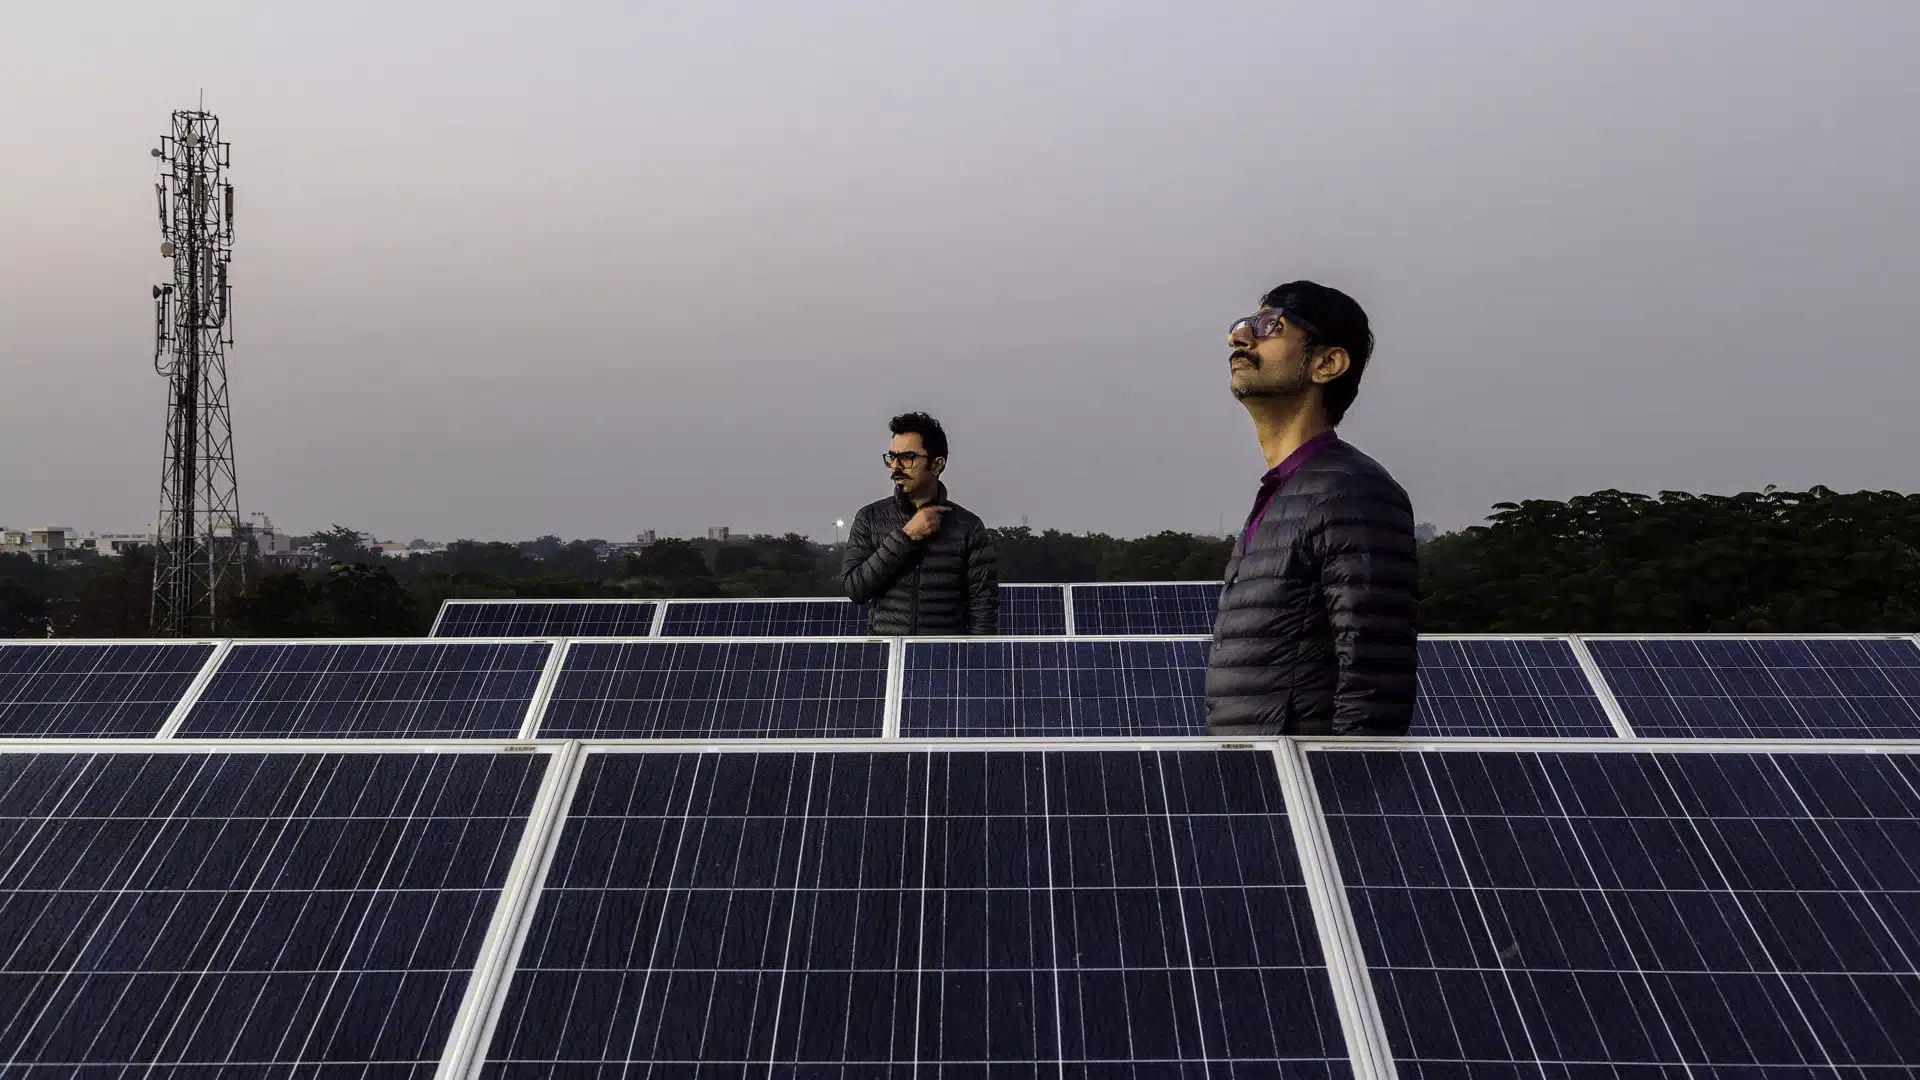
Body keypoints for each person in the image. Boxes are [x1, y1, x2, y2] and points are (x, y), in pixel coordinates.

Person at [1205, 281, 1418, 735]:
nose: (1239, 338)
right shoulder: (1285, 493)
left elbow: (1373, 687)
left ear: (1327, 363)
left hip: (1312, 791)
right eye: (1243, 325)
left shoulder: (1354, 491)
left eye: (1269, 326)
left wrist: (1342, 794)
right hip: (1260, 787)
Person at [840, 412, 999, 634]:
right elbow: (855, 589)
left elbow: (983, 612)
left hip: (947, 661)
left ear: (937, 465)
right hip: (887, 660)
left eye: (908, 457)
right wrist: (905, 538)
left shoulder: (968, 528)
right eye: (892, 457)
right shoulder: (870, 518)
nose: (896, 466)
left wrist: (973, 662)